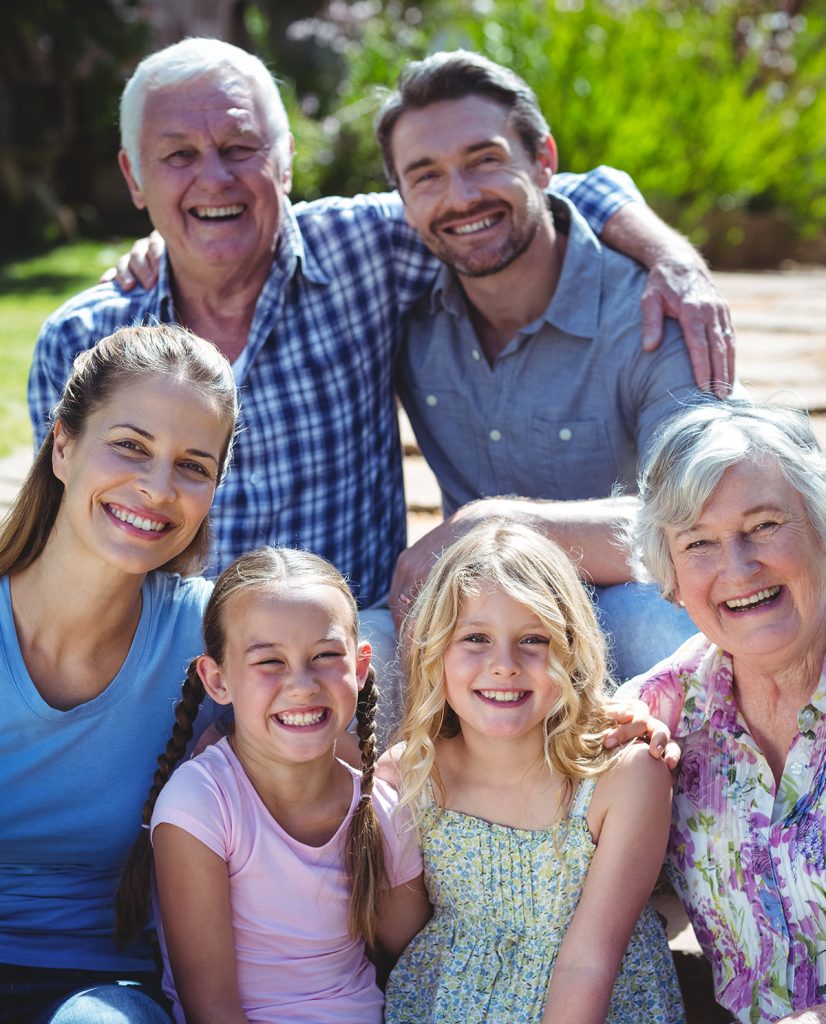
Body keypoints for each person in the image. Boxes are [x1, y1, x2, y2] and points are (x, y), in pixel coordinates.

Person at [28, 38, 732, 696]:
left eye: (240, 146)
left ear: (286, 159)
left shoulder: (363, 252)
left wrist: (670, 254)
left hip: (353, 653)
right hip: (171, 666)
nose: (214, 177)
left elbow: (517, 198)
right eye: (177, 155)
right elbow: (63, 552)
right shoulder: (87, 342)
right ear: (134, 176)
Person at [378, 50, 715, 682]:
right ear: (400, 200)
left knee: (659, 627)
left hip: (629, 599)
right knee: (368, 652)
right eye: (426, 176)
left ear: (544, 161)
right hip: (485, 617)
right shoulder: (402, 311)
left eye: (486, 159)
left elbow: (703, 517)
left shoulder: (652, 310)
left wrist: (495, 521)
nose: (461, 196)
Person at [0, 324, 238, 1023]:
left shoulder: (211, 635)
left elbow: (349, 757)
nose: (158, 487)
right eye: (130, 447)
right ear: (63, 445)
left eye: (194, 465)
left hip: (100, 991)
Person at [381, 520, 684, 1024]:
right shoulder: (410, 778)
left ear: (571, 647)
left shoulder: (624, 775)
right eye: (475, 637)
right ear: (433, 652)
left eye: (533, 640)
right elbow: (397, 935)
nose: (504, 665)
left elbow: (588, 965)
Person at [117, 546, 430, 1023]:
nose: (302, 684)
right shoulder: (200, 805)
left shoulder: (381, 807)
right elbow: (213, 1009)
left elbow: (414, 969)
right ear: (217, 680)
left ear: (360, 667)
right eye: (270, 662)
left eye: (325, 655)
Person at [620, 398, 826, 1023]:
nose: (738, 567)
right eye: (699, 543)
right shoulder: (661, 713)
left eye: (764, 525)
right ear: (672, 578)